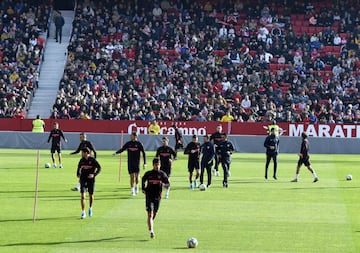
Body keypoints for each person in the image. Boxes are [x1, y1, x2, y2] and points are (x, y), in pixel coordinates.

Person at [142, 157, 170, 239]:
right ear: (153, 165)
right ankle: (151, 231)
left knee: (154, 213)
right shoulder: (149, 174)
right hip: (149, 195)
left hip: (157, 196)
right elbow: (143, 179)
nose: (157, 166)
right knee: (150, 214)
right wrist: (143, 188)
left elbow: (168, 183)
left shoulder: (162, 174)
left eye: (158, 165)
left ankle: (150, 222)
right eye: (155, 165)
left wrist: (165, 185)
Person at [113, 132, 147, 196]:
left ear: (135, 136)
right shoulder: (128, 143)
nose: (130, 136)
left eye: (131, 135)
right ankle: (132, 190)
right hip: (130, 162)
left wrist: (145, 163)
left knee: (137, 177)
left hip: (137, 163)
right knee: (131, 177)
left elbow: (144, 153)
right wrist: (116, 153)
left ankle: (136, 186)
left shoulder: (139, 144)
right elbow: (122, 149)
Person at [77, 147, 101, 219]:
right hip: (83, 179)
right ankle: (83, 212)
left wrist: (94, 174)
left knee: (91, 195)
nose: (82, 154)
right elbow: (78, 168)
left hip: (91, 180)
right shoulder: (81, 160)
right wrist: (78, 174)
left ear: (86, 153)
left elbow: (99, 168)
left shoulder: (93, 160)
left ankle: (90, 208)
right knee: (83, 196)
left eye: (83, 152)